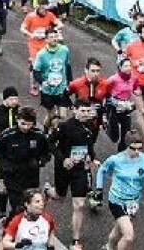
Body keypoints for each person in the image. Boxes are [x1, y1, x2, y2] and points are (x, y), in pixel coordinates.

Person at [91, 130, 144, 250]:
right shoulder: (116, 160)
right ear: (126, 145)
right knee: (128, 236)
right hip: (117, 201)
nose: (137, 152)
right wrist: (99, 189)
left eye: (139, 148)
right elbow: (102, 171)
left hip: (133, 203)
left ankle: (109, 246)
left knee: (118, 231)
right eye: (133, 149)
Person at [51, 99, 99, 249]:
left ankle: (76, 240)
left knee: (79, 205)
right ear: (75, 110)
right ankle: (48, 192)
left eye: (88, 111)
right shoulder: (64, 126)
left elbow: (89, 145)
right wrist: (63, 159)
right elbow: (50, 143)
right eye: (83, 111)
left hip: (80, 170)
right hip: (64, 168)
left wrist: (92, 158)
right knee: (60, 196)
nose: (86, 114)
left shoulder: (91, 126)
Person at [0, 106, 53, 216]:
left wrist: (40, 161)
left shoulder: (39, 136)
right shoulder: (7, 135)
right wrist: (6, 165)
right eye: (23, 123)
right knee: (18, 208)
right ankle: (8, 224)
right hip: (12, 177)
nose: (26, 127)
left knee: (29, 208)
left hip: (31, 178)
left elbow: (48, 152)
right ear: (17, 120)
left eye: (29, 124)